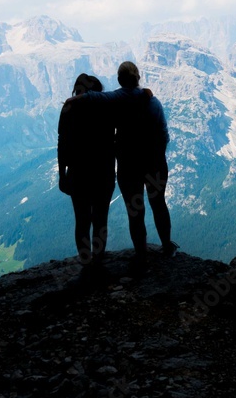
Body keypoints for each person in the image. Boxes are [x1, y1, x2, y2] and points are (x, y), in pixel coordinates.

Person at [69, 61, 176, 267]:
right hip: (154, 163)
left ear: (119, 80)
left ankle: (141, 253)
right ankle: (166, 245)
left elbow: (92, 97)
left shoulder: (115, 99)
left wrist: (71, 100)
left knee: (135, 211)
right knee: (158, 204)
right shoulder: (153, 102)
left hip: (129, 166)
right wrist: (155, 155)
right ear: (138, 77)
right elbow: (164, 135)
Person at [57, 73, 115, 272]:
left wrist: (61, 174)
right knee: (100, 219)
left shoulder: (69, 107)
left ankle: (85, 263)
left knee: (82, 221)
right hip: (104, 172)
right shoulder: (107, 106)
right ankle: (98, 262)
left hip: (78, 173)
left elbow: (62, 143)